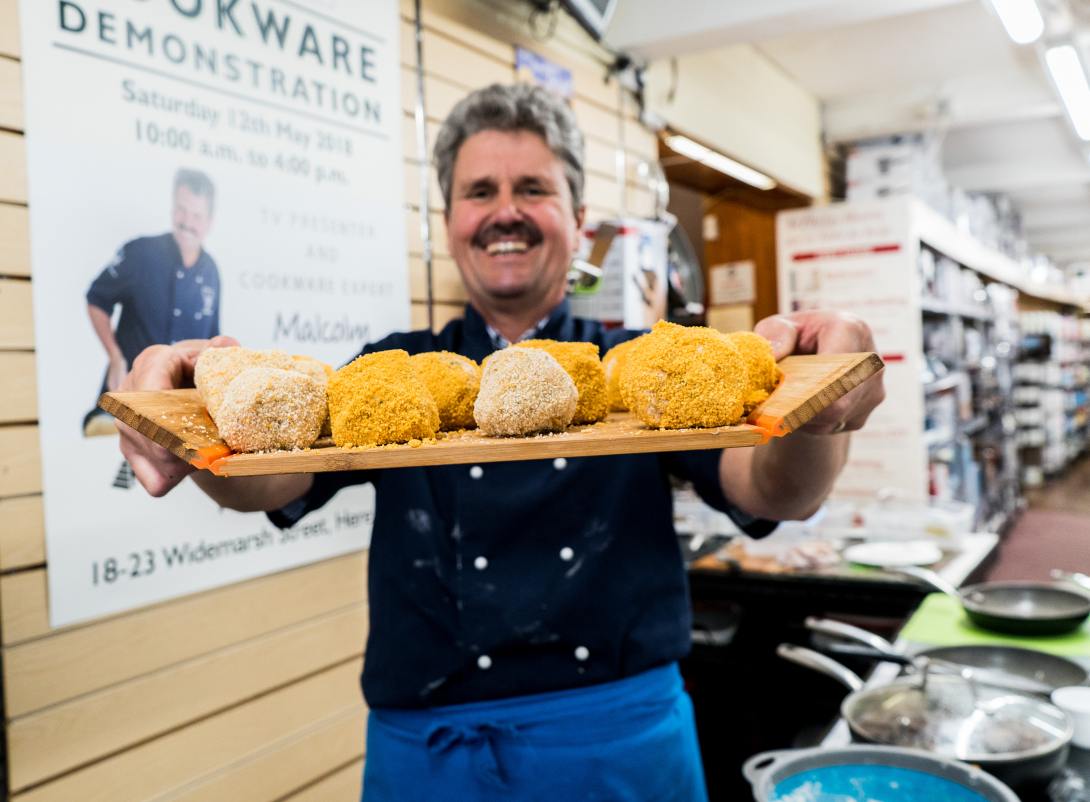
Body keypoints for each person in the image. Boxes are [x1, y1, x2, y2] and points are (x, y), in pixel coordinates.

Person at [114, 84, 885, 800]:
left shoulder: (638, 364)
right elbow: (264, 481)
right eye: (479, 191)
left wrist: (819, 407)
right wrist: (201, 415)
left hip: (619, 742)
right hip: (431, 751)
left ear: (579, 220)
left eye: (534, 189)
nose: (504, 211)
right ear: (449, 221)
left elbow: (776, 489)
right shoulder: (393, 368)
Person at [83, 169, 221, 437]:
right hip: (125, 404)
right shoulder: (140, 253)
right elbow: (96, 299)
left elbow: (212, 344)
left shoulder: (212, 271)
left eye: (197, 215)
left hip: (179, 418)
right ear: (172, 210)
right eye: (182, 210)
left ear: (209, 222)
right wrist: (114, 355)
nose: (187, 222)